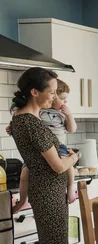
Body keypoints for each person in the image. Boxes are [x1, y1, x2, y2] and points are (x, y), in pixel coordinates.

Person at [10, 68, 79, 244]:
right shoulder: (34, 125)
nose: (54, 97)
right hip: (49, 193)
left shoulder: (20, 119)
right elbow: (58, 166)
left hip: (44, 192)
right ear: (34, 92)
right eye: (51, 92)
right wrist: (75, 157)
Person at [10, 79, 78, 213]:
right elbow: (28, 129)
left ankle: (70, 189)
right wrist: (11, 128)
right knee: (24, 173)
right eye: (62, 98)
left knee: (68, 166)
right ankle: (22, 201)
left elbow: (71, 129)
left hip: (60, 147)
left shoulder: (62, 114)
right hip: (41, 151)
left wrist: (69, 116)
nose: (65, 102)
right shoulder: (38, 112)